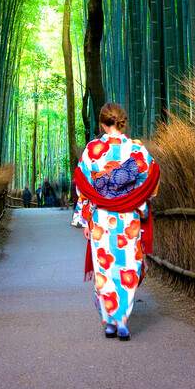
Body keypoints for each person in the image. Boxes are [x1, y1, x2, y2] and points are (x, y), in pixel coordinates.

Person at [69, 103, 159, 341]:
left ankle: (109, 321)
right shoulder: (137, 150)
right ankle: (122, 321)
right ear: (123, 122)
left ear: (101, 123)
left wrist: (84, 219)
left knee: (105, 268)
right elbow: (151, 181)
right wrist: (137, 199)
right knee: (128, 266)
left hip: (101, 218)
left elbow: (83, 186)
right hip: (128, 217)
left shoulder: (91, 150)